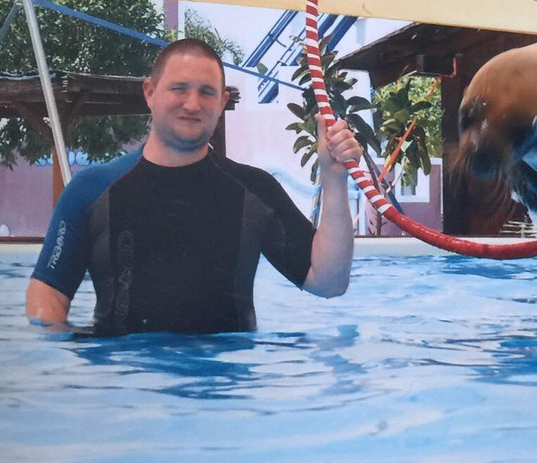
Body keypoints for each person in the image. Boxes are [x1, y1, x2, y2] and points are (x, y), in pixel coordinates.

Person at [25, 38, 364, 336]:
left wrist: (334, 178)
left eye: (206, 92)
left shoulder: (255, 190)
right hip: (122, 376)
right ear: (150, 92)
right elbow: (48, 293)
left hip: (223, 377)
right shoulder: (90, 190)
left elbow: (328, 282)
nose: (192, 104)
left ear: (222, 102)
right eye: (179, 88)